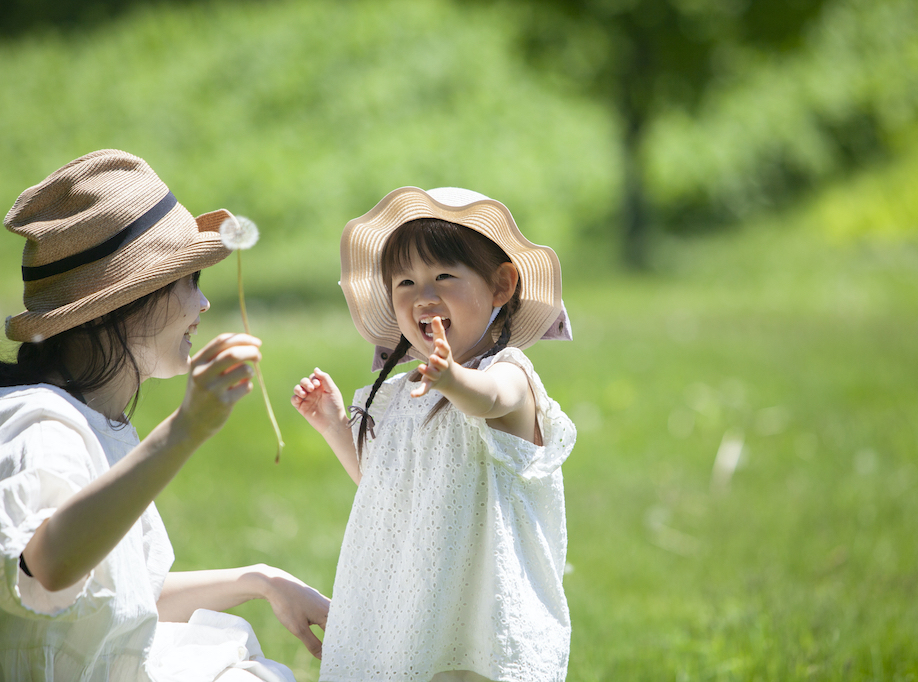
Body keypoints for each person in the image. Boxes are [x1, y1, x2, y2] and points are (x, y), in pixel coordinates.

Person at [0, 149, 329, 681]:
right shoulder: (38, 424)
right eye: (189, 282)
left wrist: (259, 579)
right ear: (126, 299)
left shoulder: (101, 425)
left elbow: (120, 594)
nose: (202, 306)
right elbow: (47, 570)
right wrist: (184, 429)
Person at [291, 186, 576, 682]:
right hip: (408, 609)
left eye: (444, 275)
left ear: (502, 285)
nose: (423, 295)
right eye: (404, 282)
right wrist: (336, 426)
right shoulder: (402, 394)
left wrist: (452, 379)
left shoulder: (510, 375)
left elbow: (490, 398)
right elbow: (387, 486)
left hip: (481, 614)